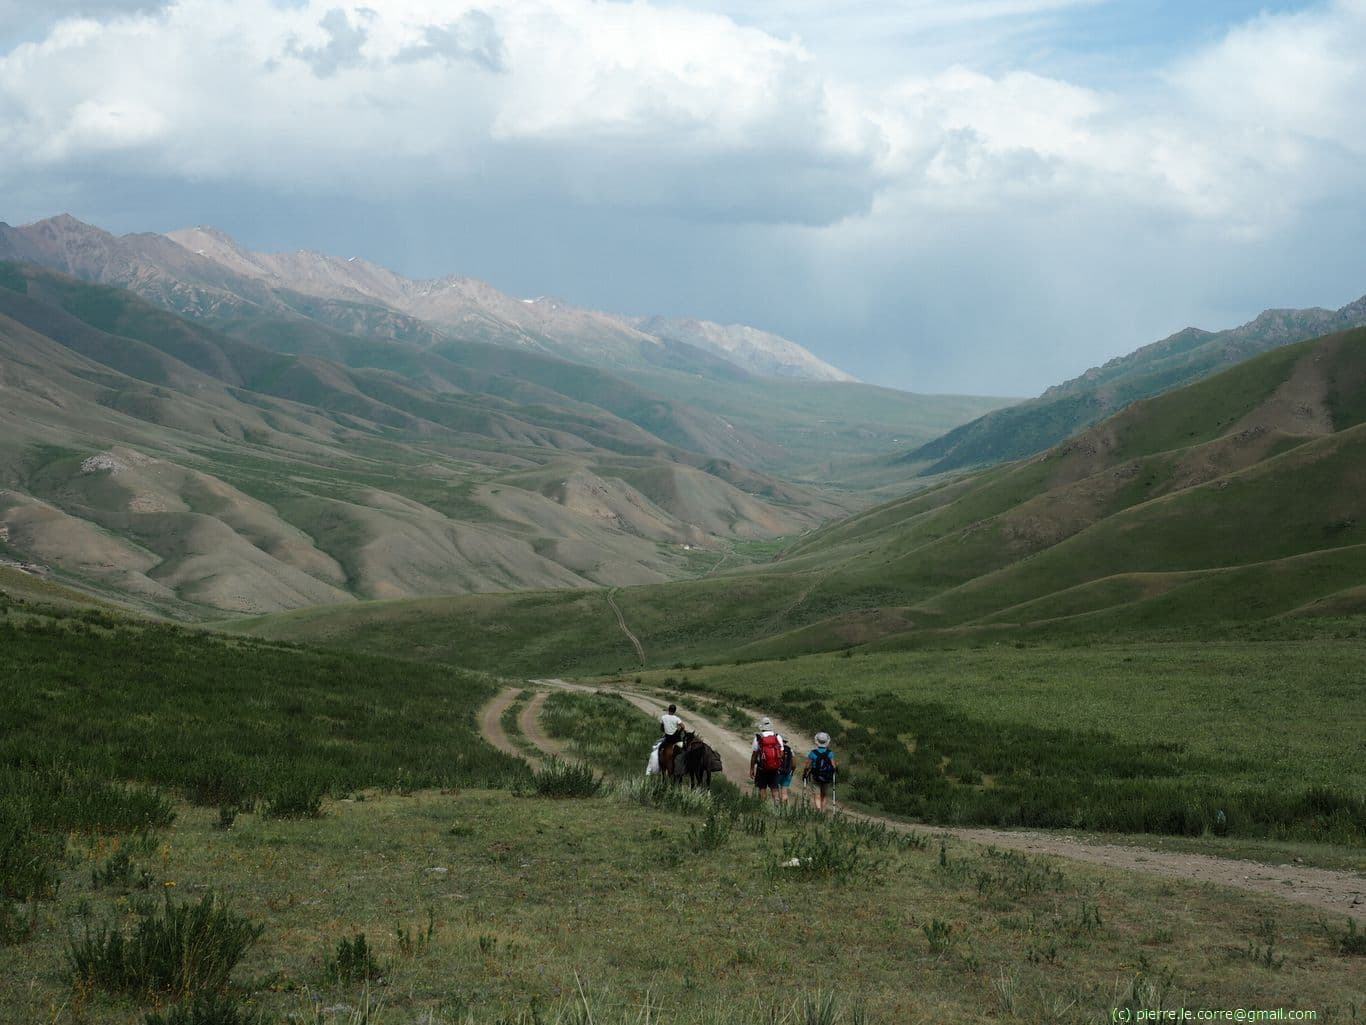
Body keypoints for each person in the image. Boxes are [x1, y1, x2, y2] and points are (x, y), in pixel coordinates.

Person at [749, 717, 786, 802]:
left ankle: (763, 806)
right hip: (775, 768)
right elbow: (782, 753)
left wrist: (751, 769)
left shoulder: (758, 738)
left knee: (762, 788)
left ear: (761, 727)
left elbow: (754, 755)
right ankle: (776, 804)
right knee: (775, 788)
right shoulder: (777, 737)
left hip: (762, 768)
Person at [803, 731, 837, 812]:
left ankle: (818, 810)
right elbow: (833, 766)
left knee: (817, 795)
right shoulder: (830, 753)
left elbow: (807, 765)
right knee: (824, 795)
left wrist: (805, 773)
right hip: (826, 777)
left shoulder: (813, 753)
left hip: (816, 776)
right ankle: (823, 812)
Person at [776, 738, 796, 804]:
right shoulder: (790, 750)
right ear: (786, 742)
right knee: (784, 791)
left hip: (778, 772)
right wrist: (792, 771)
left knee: (777, 789)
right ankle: (785, 807)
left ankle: (778, 805)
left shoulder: (777, 748)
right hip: (788, 773)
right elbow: (794, 764)